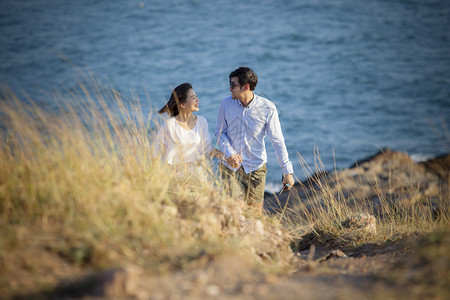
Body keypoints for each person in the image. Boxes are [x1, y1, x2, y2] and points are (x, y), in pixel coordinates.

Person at [215, 67, 295, 214]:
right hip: (231, 166)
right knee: (236, 208)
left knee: (254, 214)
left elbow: (277, 141)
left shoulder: (268, 108)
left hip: (256, 168)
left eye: (233, 85)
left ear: (246, 87)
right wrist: (229, 153)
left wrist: (287, 172)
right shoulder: (225, 104)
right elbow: (220, 133)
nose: (230, 88)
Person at [155, 83, 223, 179]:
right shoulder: (169, 125)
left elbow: (208, 149)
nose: (197, 100)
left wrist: (229, 157)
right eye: (193, 98)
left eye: (196, 97)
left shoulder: (202, 121)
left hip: (198, 175)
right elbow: (157, 153)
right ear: (182, 104)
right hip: (176, 176)